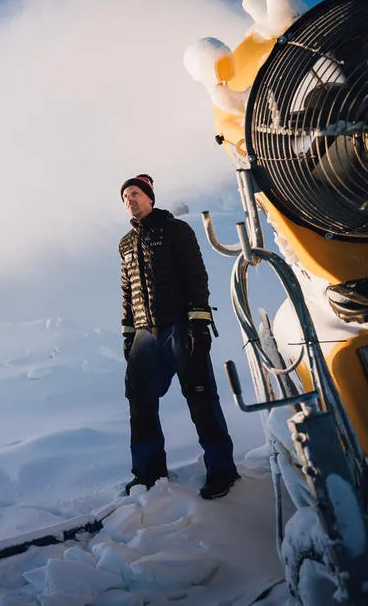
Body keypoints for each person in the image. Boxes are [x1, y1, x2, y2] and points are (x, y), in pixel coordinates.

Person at [118, 173, 240, 500]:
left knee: (201, 399)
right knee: (140, 404)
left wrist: (199, 323)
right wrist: (129, 336)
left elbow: (196, 275)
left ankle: (222, 470)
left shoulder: (175, 230)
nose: (130, 200)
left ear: (149, 197)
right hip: (146, 335)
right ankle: (148, 473)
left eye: (135, 194)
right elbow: (128, 294)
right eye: (125, 196)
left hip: (181, 328)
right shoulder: (126, 243)